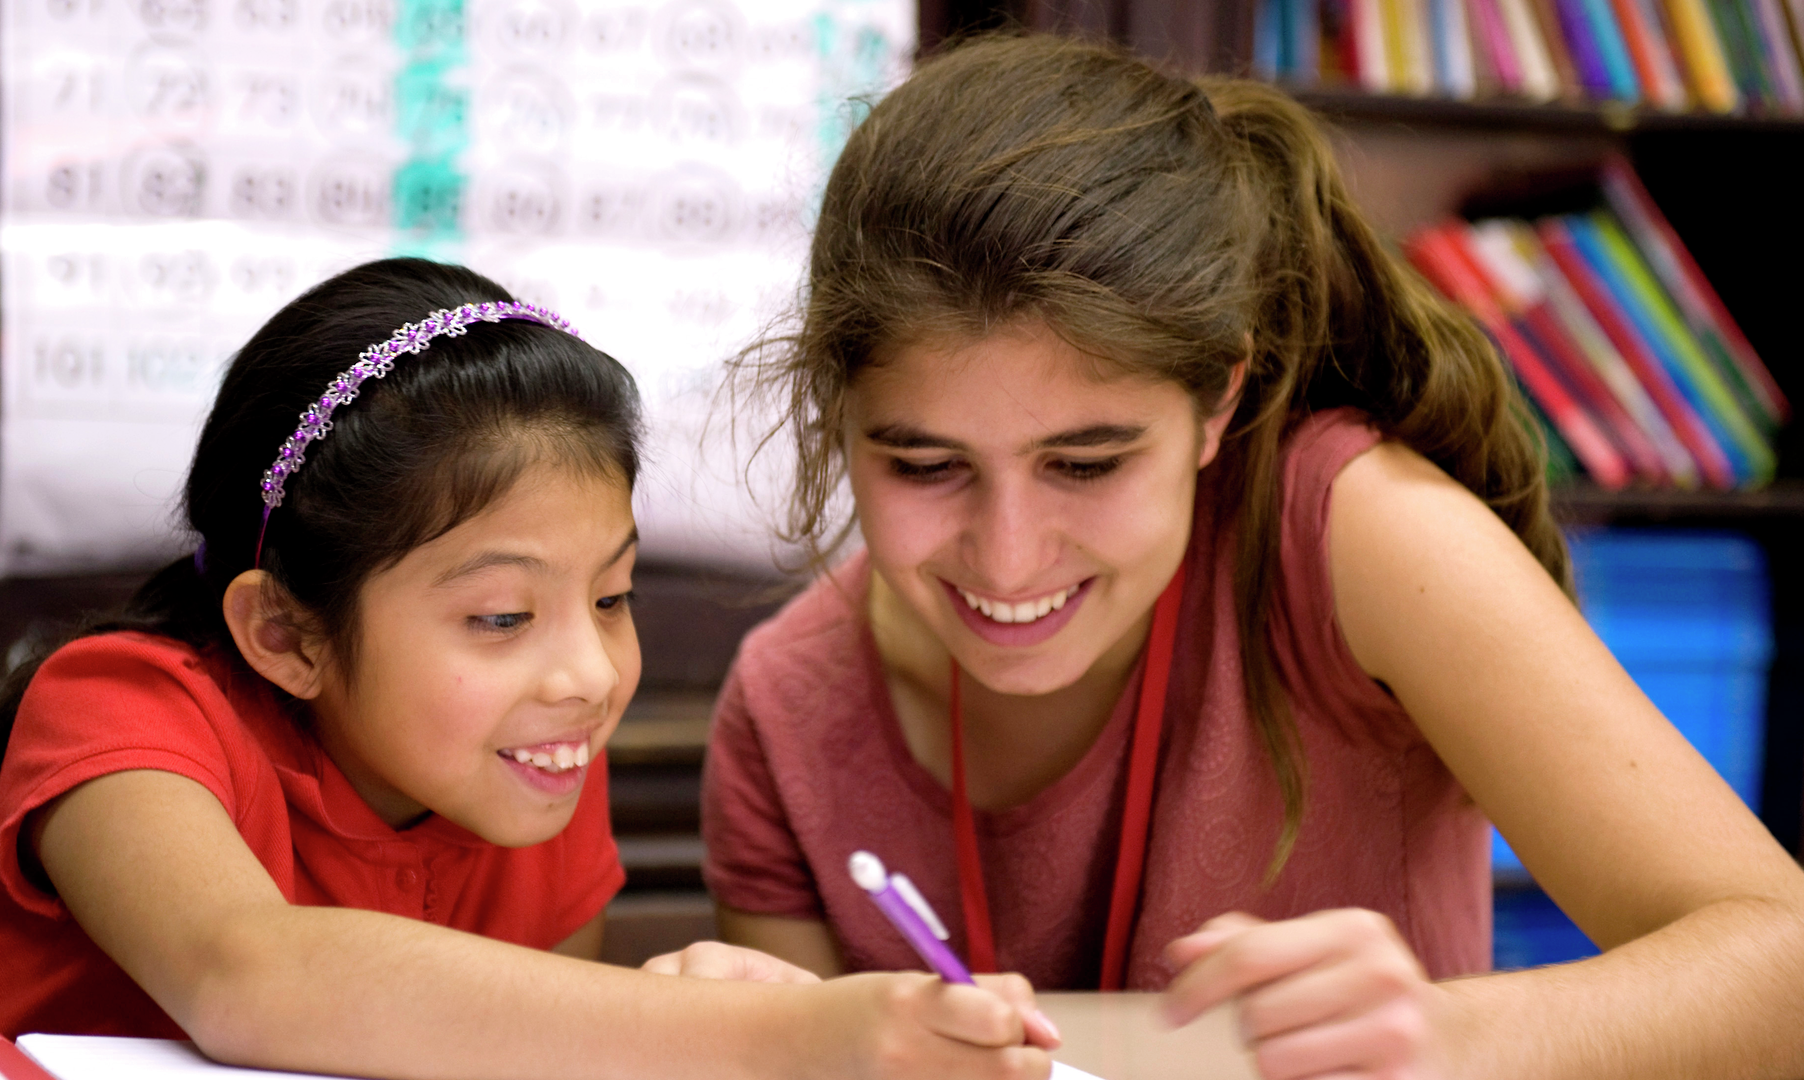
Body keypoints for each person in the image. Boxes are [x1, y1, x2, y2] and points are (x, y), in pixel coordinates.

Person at [702, 34, 1804, 1080]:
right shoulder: (786, 712)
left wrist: (1461, 1038)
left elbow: (1782, 966)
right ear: (842, 421)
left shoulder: (1356, 533)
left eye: (1086, 465)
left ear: (1219, 399)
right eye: (926, 467)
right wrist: (743, 1050)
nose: (1009, 555)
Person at [0, 259, 1061, 1080]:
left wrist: (653, 1014)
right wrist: (785, 1041)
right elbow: (249, 979)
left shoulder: (532, 770)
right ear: (286, 636)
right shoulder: (124, 709)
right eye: (503, 616)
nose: (586, 673)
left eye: (612, 598)